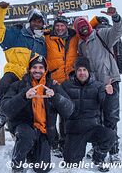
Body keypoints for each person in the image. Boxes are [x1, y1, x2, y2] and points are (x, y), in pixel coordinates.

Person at [0, 55, 74, 173]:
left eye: (41, 67)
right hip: (24, 126)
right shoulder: (19, 86)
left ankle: (31, 154)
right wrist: (23, 96)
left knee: (42, 169)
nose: (38, 70)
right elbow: (5, 109)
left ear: (45, 70)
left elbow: (69, 110)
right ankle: (17, 166)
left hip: (43, 131)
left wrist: (55, 97)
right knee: (26, 136)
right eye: (34, 67)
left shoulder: (52, 86)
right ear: (29, 69)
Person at [74, 7, 122, 164]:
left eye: (85, 25)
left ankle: (114, 151)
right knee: (97, 118)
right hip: (94, 87)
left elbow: (119, 31)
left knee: (111, 118)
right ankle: (99, 146)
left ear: (89, 26)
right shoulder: (81, 46)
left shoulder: (102, 34)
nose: (83, 27)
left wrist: (115, 17)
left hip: (111, 82)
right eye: (79, 27)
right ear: (77, 30)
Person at [0, 1, 47, 128]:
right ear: (29, 21)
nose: (37, 24)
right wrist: (1, 9)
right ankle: (3, 114)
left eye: (40, 22)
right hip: (14, 72)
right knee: (4, 85)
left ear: (43, 24)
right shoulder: (15, 34)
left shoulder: (43, 42)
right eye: (34, 21)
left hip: (32, 76)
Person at [61, 56, 117, 172]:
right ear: (75, 72)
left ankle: (98, 158)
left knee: (110, 135)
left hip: (92, 128)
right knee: (70, 165)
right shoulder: (66, 86)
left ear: (89, 71)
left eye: (84, 70)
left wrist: (110, 95)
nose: (82, 73)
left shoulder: (98, 86)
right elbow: (59, 105)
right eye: (79, 70)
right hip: (74, 131)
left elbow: (107, 106)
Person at [44, 15, 79, 155]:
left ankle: (64, 143)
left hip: (69, 82)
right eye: (57, 25)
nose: (60, 28)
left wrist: (97, 21)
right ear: (54, 26)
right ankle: (53, 144)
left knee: (66, 115)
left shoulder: (74, 37)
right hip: (53, 82)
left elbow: (87, 27)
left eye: (62, 25)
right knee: (51, 116)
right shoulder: (47, 38)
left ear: (67, 26)